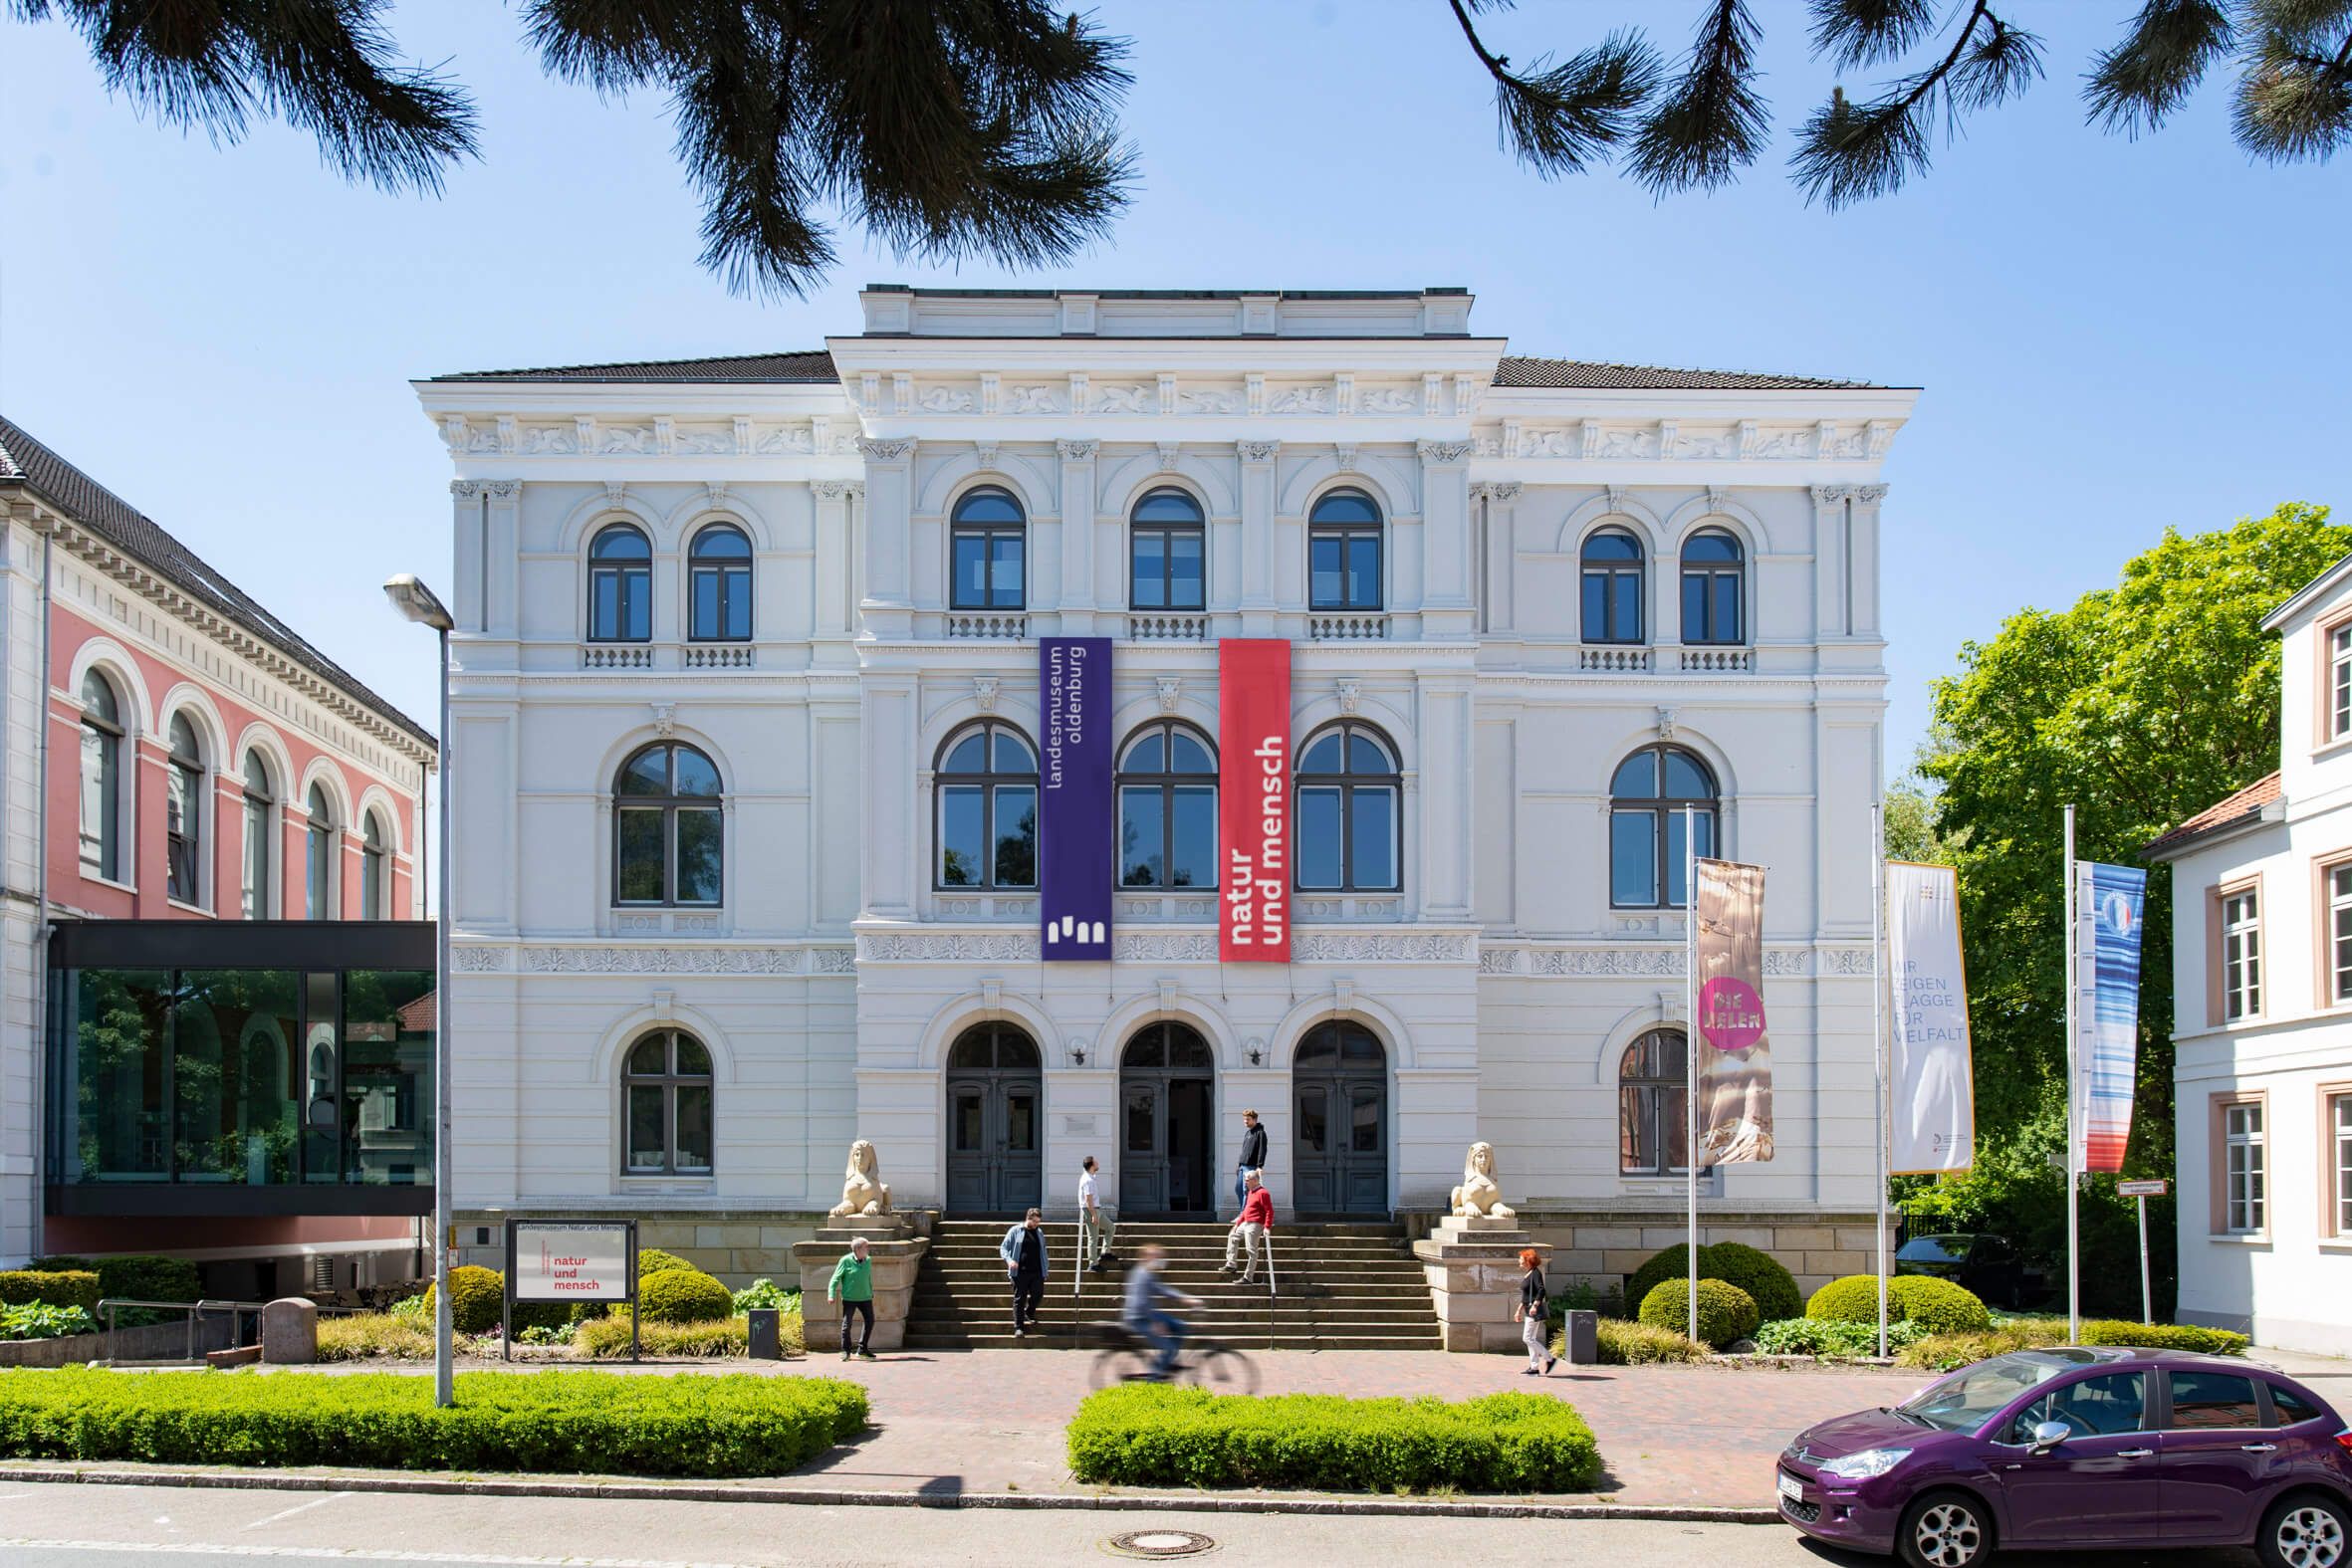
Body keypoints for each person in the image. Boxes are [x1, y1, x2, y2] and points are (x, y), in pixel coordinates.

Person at [1122, 1241, 1198, 1378]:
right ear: (1145, 1257)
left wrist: (1184, 1298)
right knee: (1169, 1349)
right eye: (1156, 1256)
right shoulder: (1142, 1274)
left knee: (1180, 1327)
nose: (1160, 1260)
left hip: (1148, 1314)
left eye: (1160, 1256)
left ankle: (1167, 1361)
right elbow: (1141, 1303)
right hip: (1139, 1318)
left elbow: (1161, 1289)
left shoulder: (1148, 1272)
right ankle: (1155, 1376)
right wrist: (1155, 1323)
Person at [999, 1207, 1050, 1337]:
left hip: (1037, 1271)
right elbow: (1003, 1248)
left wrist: (1045, 1268)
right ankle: (1019, 1327)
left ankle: (1029, 1312)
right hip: (1019, 1272)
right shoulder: (1015, 1230)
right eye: (1035, 1222)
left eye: (1039, 1222)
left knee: (1038, 1294)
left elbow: (1043, 1251)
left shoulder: (1039, 1232)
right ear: (1028, 1218)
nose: (1037, 1224)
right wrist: (1010, 1261)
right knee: (1019, 1299)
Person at [827, 1234, 876, 1362]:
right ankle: (845, 1351)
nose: (868, 1249)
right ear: (858, 1249)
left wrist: (870, 1291)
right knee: (847, 1324)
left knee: (870, 1321)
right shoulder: (845, 1260)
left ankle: (862, 1350)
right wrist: (831, 1295)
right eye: (866, 1247)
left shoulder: (868, 1260)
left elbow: (867, 1278)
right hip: (850, 1298)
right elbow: (835, 1278)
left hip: (865, 1297)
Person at [1221, 1170, 1274, 1285]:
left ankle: (1248, 1277)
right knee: (1232, 1236)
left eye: (1247, 1180)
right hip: (1246, 1222)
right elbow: (1246, 1211)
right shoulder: (1250, 1192)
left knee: (1251, 1250)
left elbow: (1269, 1211)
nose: (1245, 1182)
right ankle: (1231, 1264)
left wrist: (1267, 1227)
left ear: (1255, 1180)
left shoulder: (1263, 1193)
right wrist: (1237, 1224)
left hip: (1255, 1224)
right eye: (1245, 1180)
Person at [1515, 1247, 1555, 1376]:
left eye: (1521, 1258)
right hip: (1528, 1310)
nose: (1519, 1260)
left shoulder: (1535, 1273)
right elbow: (1526, 1296)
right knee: (1530, 1338)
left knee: (1527, 1338)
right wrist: (1519, 1310)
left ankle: (1549, 1358)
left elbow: (1541, 1290)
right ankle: (1534, 1367)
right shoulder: (1529, 1273)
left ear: (1528, 1260)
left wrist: (1535, 1306)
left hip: (1533, 1311)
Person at [1077, 1156, 1113, 1274]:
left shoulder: (1091, 1177)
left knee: (1110, 1227)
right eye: (1096, 1162)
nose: (1098, 1163)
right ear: (1092, 1165)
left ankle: (1105, 1252)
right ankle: (1093, 1264)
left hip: (1097, 1209)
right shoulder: (1087, 1180)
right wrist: (1093, 1214)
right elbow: (1088, 1199)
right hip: (1090, 1210)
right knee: (1093, 1238)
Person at [1235, 1108, 1268, 1215]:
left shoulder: (1260, 1133)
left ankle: (1243, 1215)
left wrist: (1259, 1166)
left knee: (1246, 1191)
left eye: (1248, 1119)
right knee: (1238, 1189)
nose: (1245, 1122)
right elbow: (1244, 1150)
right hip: (1243, 1166)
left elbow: (1262, 1150)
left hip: (1251, 1166)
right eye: (1244, 1119)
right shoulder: (1248, 1133)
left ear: (1254, 1119)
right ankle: (1245, 1213)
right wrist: (1239, 1165)